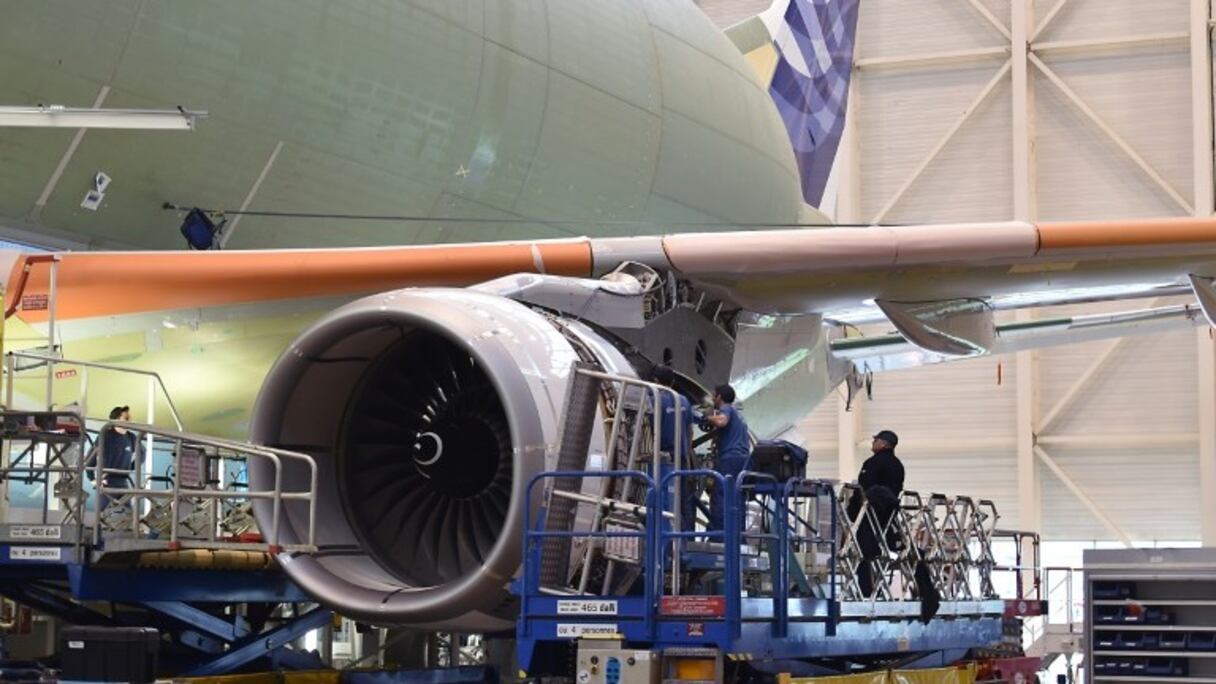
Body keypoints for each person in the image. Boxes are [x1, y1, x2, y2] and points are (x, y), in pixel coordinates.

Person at [651, 365, 702, 530]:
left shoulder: (655, 400)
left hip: (664, 459)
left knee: (664, 499)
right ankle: (686, 537)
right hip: (682, 457)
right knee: (684, 499)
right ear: (672, 381)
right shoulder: (684, 400)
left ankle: (664, 539)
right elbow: (690, 428)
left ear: (655, 381)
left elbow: (650, 429)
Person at [704, 384, 750, 532]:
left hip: (730, 459)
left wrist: (707, 418)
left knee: (721, 495)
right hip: (742, 460)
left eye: (714, 395)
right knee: (736, 498)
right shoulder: (739, 416)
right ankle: (737, 536)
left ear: (719, 397)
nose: (712, 398)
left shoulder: (727, 409)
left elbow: (721, 421)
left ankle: (719, 535)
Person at [98, 405, 139, 512]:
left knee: (129, 512)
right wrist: (92, 478)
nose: (130, 421)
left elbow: (142, 454)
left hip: (123, 481)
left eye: (129, 418)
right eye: (126, 418)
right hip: (107, 480)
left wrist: (131, 467)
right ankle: (97, 528)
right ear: (116, 420)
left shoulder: (131, 437)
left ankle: (132, 527)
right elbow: (92, 456)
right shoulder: (106, 435)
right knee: (101, 512)